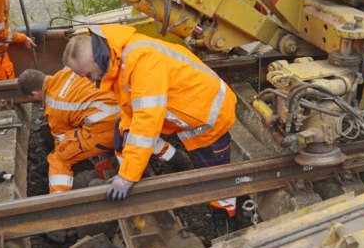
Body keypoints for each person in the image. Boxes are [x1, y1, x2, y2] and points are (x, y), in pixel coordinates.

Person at [63, 24, 239, 236]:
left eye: (89, 74)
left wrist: (128, 176)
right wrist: (127, 133)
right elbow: (131, 108)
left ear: (96, 58)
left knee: (216, 174)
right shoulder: (117, 60)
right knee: (126, 131)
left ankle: (226, 218)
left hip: (210, 116)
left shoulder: (141, 61)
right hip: (189, 114)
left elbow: (147, 121)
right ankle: (181, 163)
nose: (91, 82)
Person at [18, 67, 192, 193]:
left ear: (35, 94)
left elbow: (63, 141)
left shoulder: (55, 106)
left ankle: (60, 205)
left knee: (58, 158)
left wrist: (57, 155)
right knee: (139, 135)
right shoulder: (68, 71)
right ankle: (177, 159)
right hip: (128, 111)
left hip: (107, 128)